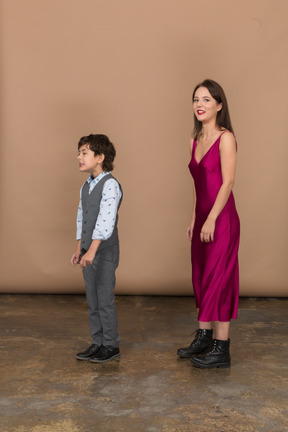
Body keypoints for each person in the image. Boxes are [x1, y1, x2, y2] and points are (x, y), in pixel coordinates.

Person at [177, 79, 240, 368]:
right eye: (196, 100)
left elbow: (227, 182)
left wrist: (212, 218)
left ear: (219, 105)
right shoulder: (193, 140)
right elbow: (197, 185)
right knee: (201, 276)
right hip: (202, 217)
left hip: (222, 218)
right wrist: (195, 218)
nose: (199, 105)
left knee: (219, 278)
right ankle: (203, 336)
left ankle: (221, 347)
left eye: (206, 100)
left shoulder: (225, 138)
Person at [71, 134, 123, 363]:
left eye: (84, 153)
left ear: (100, 157)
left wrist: (92, 251)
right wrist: (79, 249)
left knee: (104, 299)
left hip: (103, 251)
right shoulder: (86, 186)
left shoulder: (110, 185)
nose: (79, 157)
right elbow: (82, 218)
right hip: (87, 251)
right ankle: (97, 341)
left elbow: (105, 220)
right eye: (79, 153)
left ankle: (111, 344)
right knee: (92, 299)